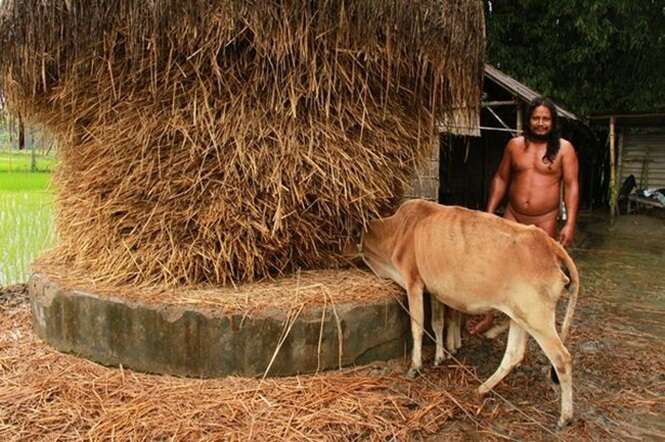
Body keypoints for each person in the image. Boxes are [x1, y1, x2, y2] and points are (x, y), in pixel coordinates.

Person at [466, 96, 579, 336]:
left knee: (536, 274)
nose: (540, 123)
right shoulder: (515, 146)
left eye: (545, 119)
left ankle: (534, 323)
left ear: (553, 121)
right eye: (536, 118)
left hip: (544, 219)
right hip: (513, 216)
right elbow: (501, 178)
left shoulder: (564, 150)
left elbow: (571, 186)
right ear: (529, 120)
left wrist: (569, 222)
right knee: (496, 266)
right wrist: (489, 212)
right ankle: (489, 314)